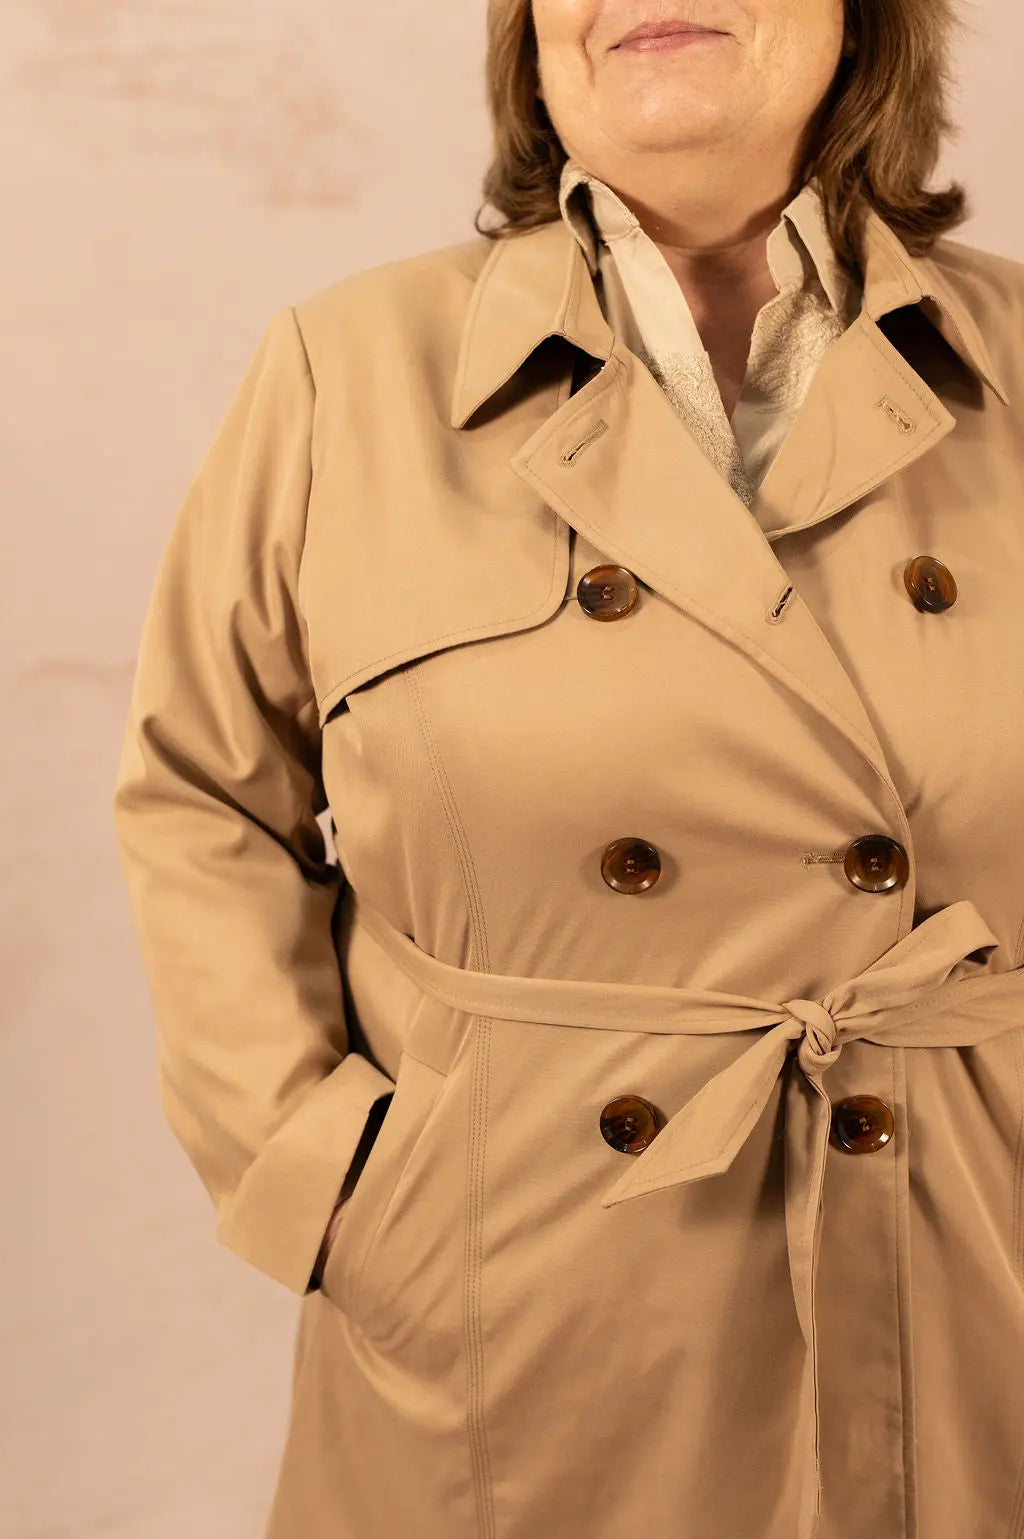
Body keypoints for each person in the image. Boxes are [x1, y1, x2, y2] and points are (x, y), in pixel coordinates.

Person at [111, 0, 1024, 1535]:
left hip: (963, 1280)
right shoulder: (348, 370)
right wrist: (329, 1183)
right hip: (511, 1300)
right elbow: (202, 789)